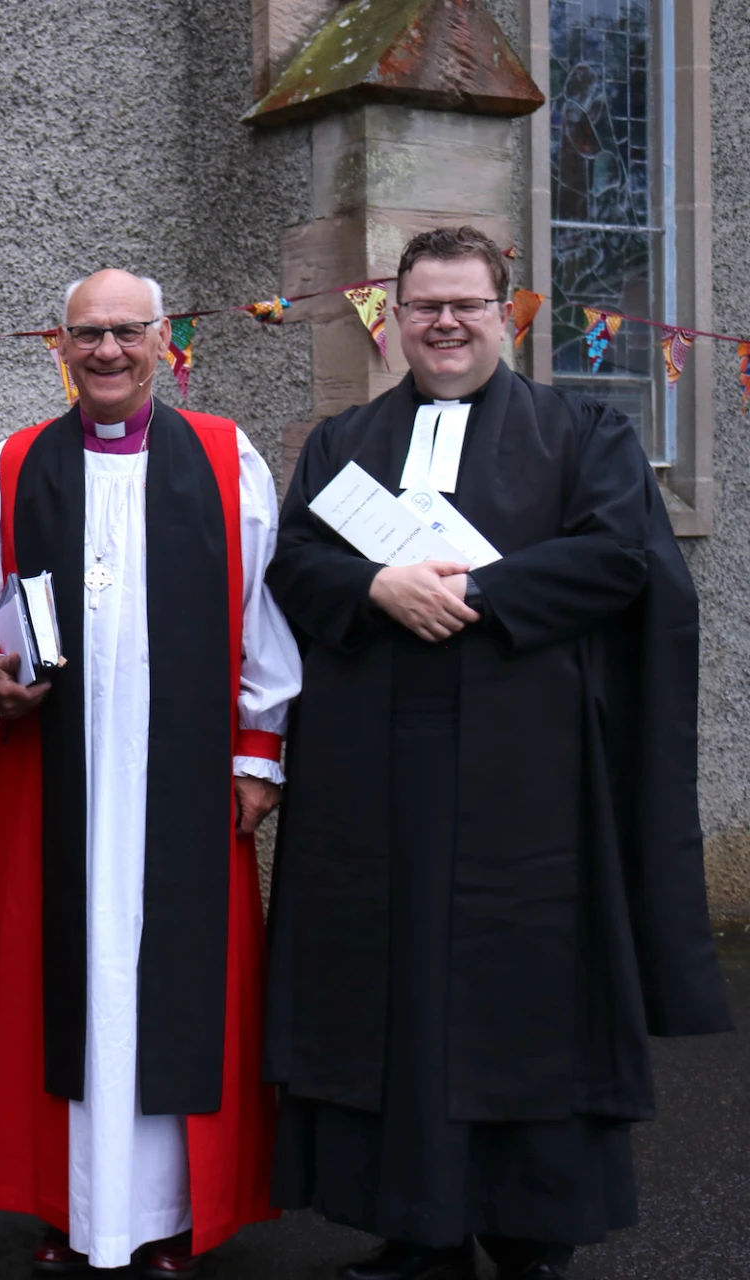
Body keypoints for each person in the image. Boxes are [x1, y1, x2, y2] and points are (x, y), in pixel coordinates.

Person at [265, 225, 733, 1280]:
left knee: (526, 996)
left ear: (506, 312)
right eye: (425, 304)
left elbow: (619, 553)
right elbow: (293, 561)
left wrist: (477, 590)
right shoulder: (341, 445)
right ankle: (416, 1226)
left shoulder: (584, 432)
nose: (444, 322)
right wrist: (376, 585)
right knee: (395, 992)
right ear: (393, 315)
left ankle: (531, 1231)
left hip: (530, 782)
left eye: (466, 304)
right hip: (377, 782)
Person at [0, 270, 300, 1278]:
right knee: (66, 983)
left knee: (174, 985)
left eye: (127, 332)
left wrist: (257, 752)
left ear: (164, 340)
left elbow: (264, 615)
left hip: (185, 780)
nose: (107, 351)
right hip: (56, 774)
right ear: (59, 345)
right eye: (87, 334)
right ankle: (74, 1213)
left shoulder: (226, 459)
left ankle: (167, 1216)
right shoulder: (14, 464)